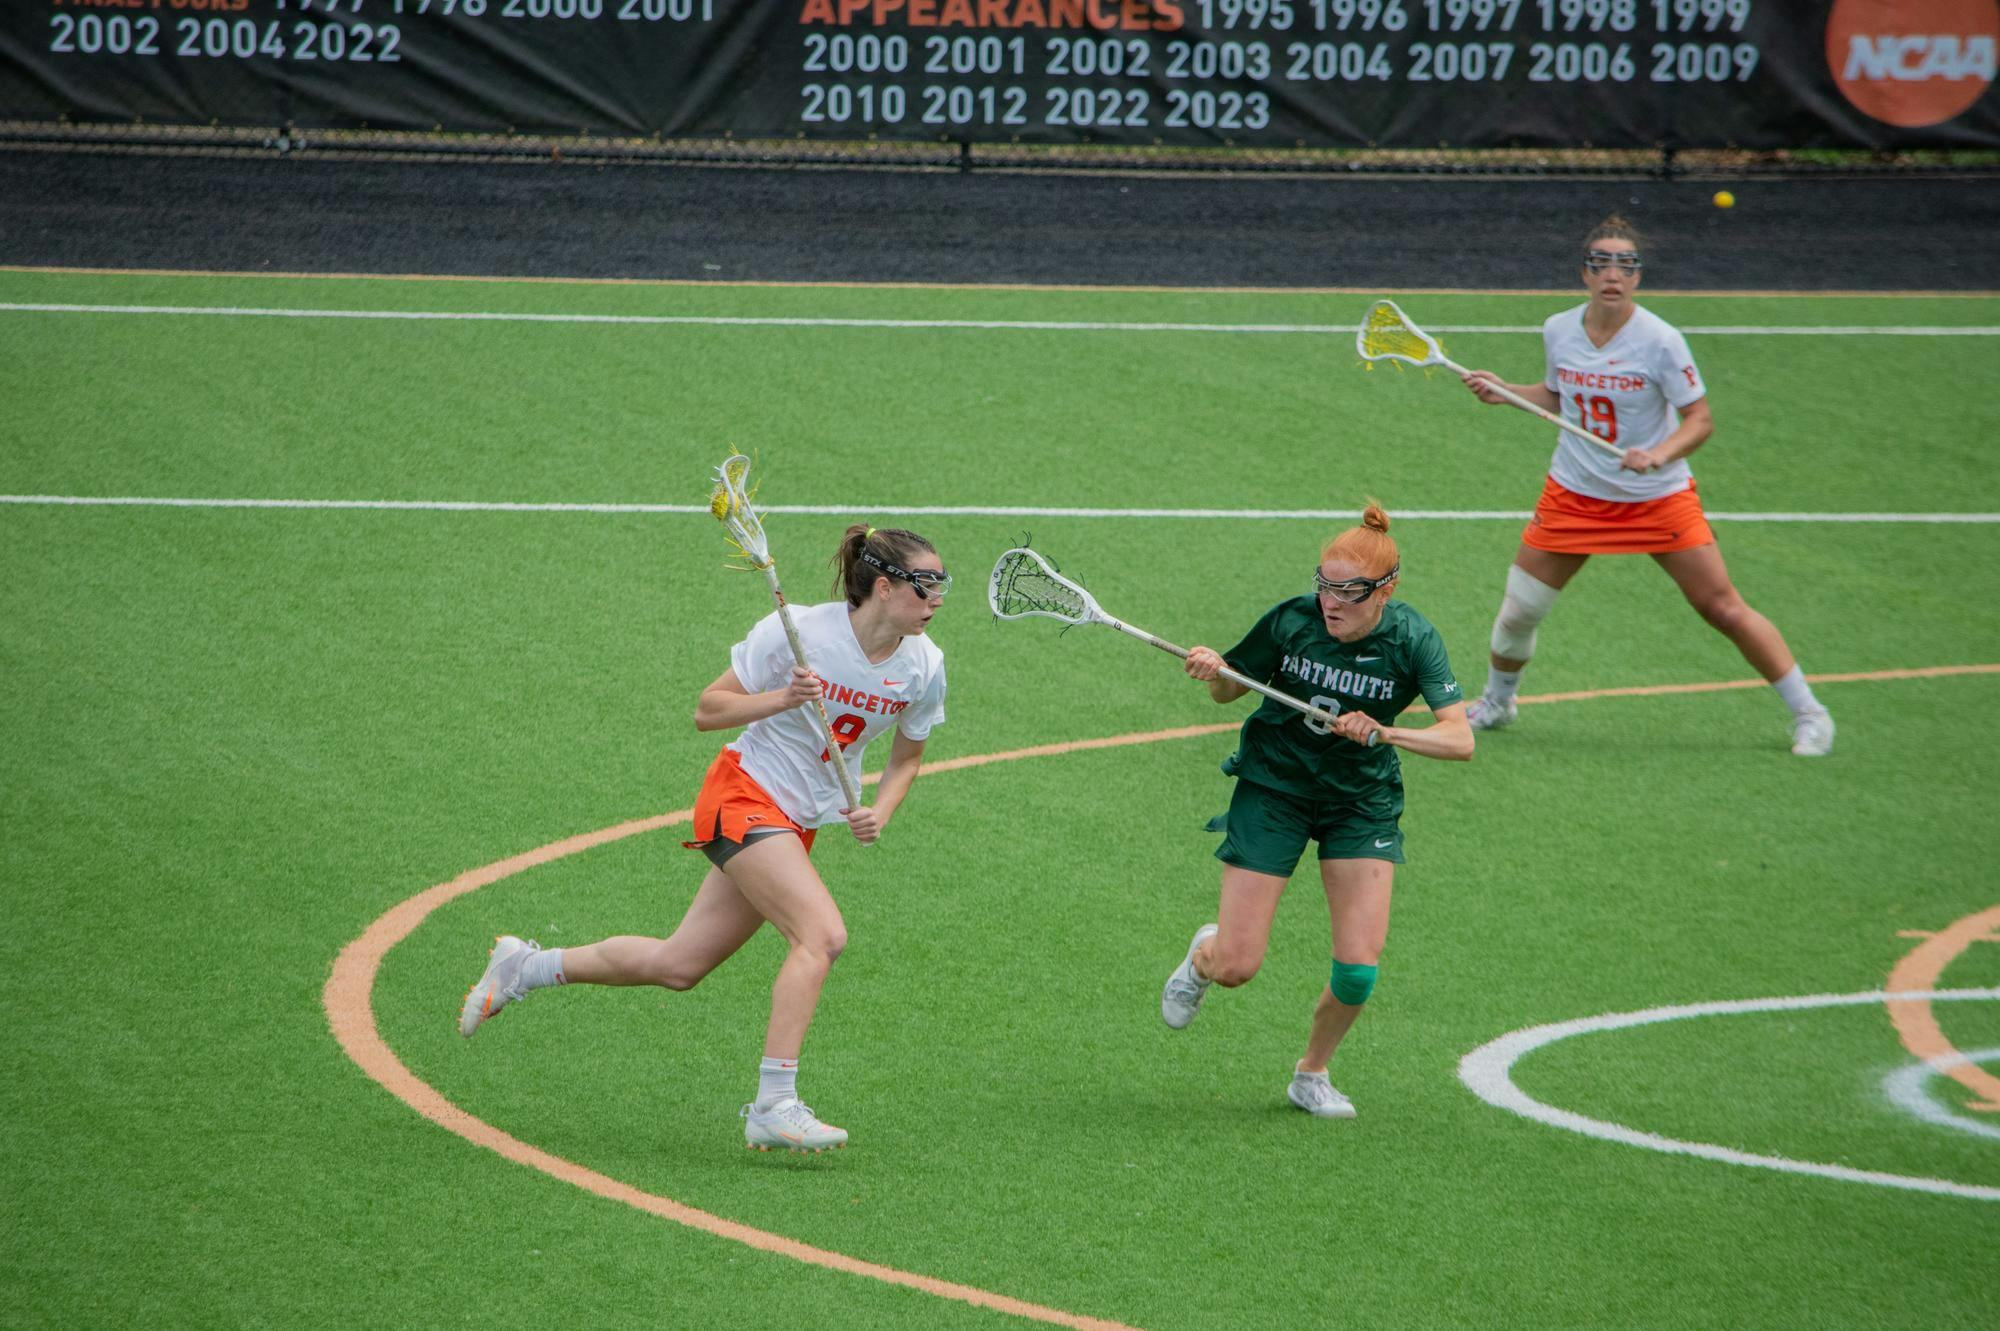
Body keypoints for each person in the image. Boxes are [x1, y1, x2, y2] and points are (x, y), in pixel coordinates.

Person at [458, 525, 950, 1154]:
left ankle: (526, 966)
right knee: (821, 936)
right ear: (883, 588)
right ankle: (775, 1103)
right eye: (926, 585)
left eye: (942, 585)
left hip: (797, 822)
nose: (937, 598)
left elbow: (908, 757)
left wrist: (880, 808)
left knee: (679, 965)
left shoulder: (924, 667)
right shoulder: (801, 632)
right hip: (743, 793)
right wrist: (783, 697)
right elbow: (708, 709)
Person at [1457, 215, 1834, 757]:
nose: (1614, 273)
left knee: (1721, 607)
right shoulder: (1558, 328)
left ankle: (1810, 714)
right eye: (1602, 262)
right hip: (1575, 493)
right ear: (1585, 273)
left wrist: (1658, 454)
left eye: (1626, 264)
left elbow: (1699, 419)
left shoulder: (1661, 340)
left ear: (1637, 276)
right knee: (1520, 609)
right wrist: (1507, 391)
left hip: (1655, 499)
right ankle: (1498, 700)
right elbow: (1560, 397)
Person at [1160, 506, 1472, 1119]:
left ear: (1386, 590)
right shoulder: (1292, 620)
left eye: (1349, 592)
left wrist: (1385, 733)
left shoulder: (1413, 640)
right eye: (1324, 585)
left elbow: (1459, 740)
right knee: (1236, 968)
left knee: (1358, 970)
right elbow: (1230, 688)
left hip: (1360, 803)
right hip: (1275, 788)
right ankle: (1204, 957)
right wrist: (1213, 671)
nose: (1332, 602)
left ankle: (1311, 1073)